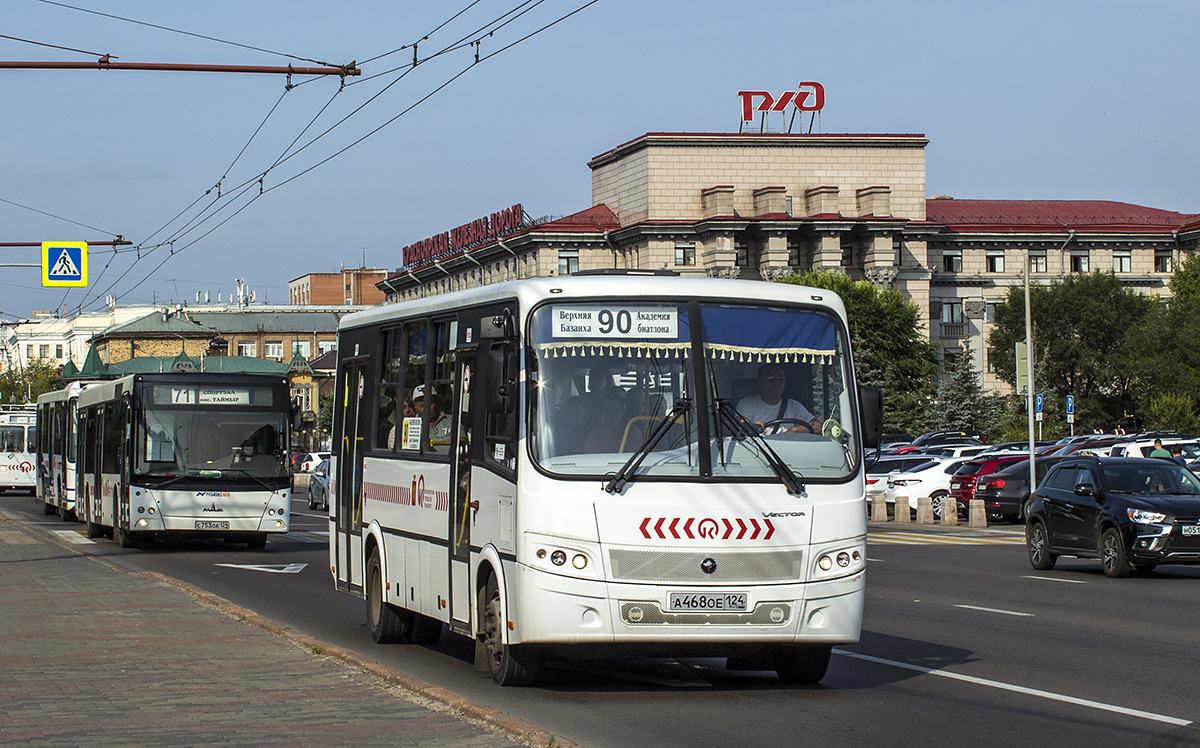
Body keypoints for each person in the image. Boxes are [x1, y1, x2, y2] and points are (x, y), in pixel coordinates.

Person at [736, 363, 821, 435]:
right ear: (760, 383)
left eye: (780, 379)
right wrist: (751, 427)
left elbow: (818, 427)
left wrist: (795, 430)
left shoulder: (794, 406)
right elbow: (740, 424)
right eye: (770, 379)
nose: (776, 383)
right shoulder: (746, 404)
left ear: (784, 384)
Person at [584, 388, 642, 453]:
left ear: (622, 410)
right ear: (602, 410)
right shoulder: (594, 435)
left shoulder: (631, 432)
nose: (610, 412)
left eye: (615, 409)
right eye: (607, 408)